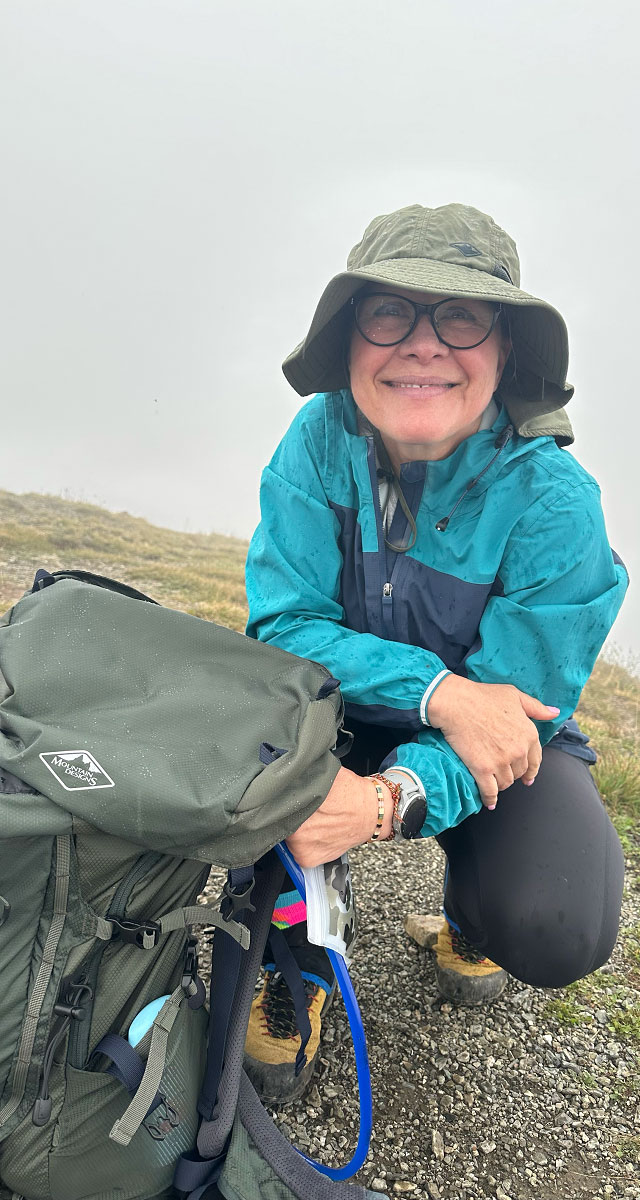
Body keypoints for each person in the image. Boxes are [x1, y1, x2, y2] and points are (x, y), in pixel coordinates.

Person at [242, 203, 628, 1104]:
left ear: (504, 349)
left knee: (559, 920)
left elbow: (516, 713)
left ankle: (466, 916)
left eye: (460, 317)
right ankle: (295, 968)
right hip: (333, 718)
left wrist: (386, 801)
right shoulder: (314, 443)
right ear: (348, 343)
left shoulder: (556, 502)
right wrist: (440, 690)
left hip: (499, 741)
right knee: (250, 763)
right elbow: (283, 630)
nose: (421, 345)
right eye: (388, 314)